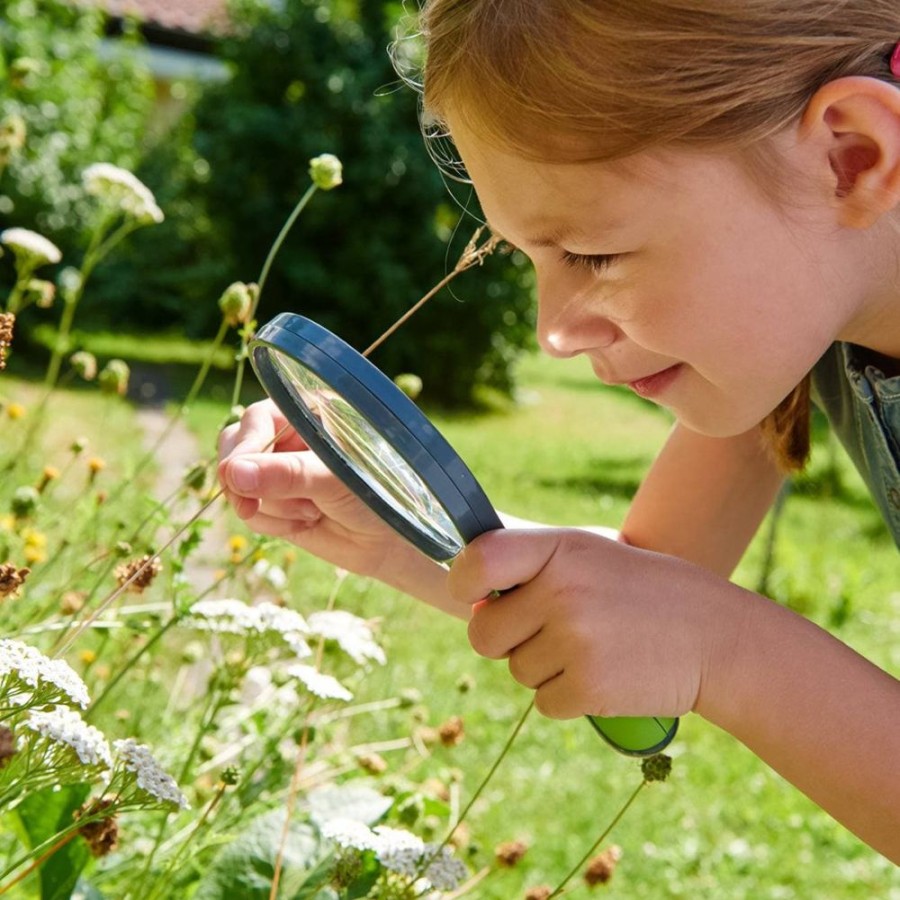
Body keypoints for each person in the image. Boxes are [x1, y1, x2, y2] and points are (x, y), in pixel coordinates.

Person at [219, 0, 900, 863]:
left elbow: (686, 614)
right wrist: (405, 535)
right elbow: (653, 582)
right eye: (528, 255)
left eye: (593, 254)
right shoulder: (802, 325)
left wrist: (727, 647)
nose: (553, 332)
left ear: (851, 158)